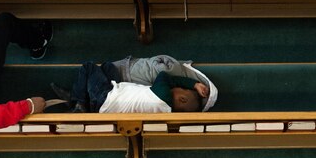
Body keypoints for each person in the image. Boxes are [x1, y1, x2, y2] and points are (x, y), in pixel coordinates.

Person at [51, 55, 218, 114]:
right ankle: (82, 102)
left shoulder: (164, 95)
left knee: (88, 67)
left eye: (181, 90)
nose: (177, 87)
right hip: (108, 102)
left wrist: (194, 83)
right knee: (108, 67)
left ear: (181, 100)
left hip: (105, 97)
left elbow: (164, 76)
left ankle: (77, 101)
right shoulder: (166, 111)